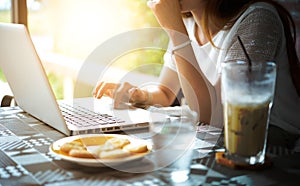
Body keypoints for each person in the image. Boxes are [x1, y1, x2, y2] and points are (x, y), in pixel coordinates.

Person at [93, 0, 300, 146]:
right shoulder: (189, 23)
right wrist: (139, 95)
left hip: (272, 140)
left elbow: (215, 116)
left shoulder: (257, 19)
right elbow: (165, 93)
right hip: (220, 134)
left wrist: (175, 30)